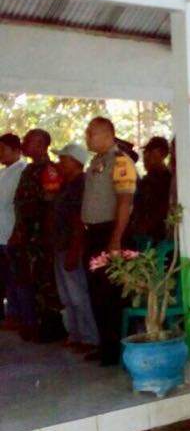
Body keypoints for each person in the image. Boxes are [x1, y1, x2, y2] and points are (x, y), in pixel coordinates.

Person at [82, 118, 137, 363]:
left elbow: (125, 202)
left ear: (107, 135)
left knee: (112, 294)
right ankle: (106, 346)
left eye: (91, 133)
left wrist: (116, 238)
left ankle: (118, 349)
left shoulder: (121, 161)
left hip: (111, 232)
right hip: (94, 233)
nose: (87, 137)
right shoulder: (97, 162)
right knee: (96, 292)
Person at [9, 129, 63, 343]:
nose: (24, 144)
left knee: (46, 283)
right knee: (30, 280)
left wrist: (47, 237)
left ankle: (52, 328)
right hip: (27, 236)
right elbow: (21, 205)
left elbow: (51, 205)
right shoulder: (29, 170)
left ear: (41, 144)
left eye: (28, 141)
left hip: (42, 237)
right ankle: (36, 325)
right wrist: (18, 231)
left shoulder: (49, 170)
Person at [52, 143, 99, 351]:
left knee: (78, 293)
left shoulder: (81, 184)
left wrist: (75, 248)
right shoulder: (66, 184)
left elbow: (78, 220)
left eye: (63, 159)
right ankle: (76, 334)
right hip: (61, 244)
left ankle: (89, 338)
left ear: (75, 162)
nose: (59, 163)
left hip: (71, 245)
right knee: (67, 294)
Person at [0, 133, 27, 327]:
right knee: (5, 278)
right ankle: (10, 315)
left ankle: (20, 316)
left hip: (12, 232)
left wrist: (17, 232)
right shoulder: (4, 173)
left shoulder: (22, 171)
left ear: (17, 150)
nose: (0, 153)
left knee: (16, 278)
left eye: (3, 149)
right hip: (1, 232)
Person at [130, 136, 172, 247]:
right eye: (145, 153)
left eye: (151, 153)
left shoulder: (166, 180)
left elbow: (161, 209)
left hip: (157, 235)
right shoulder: (146, 180)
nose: (146, 157)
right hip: (142, 234)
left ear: (162, 154)